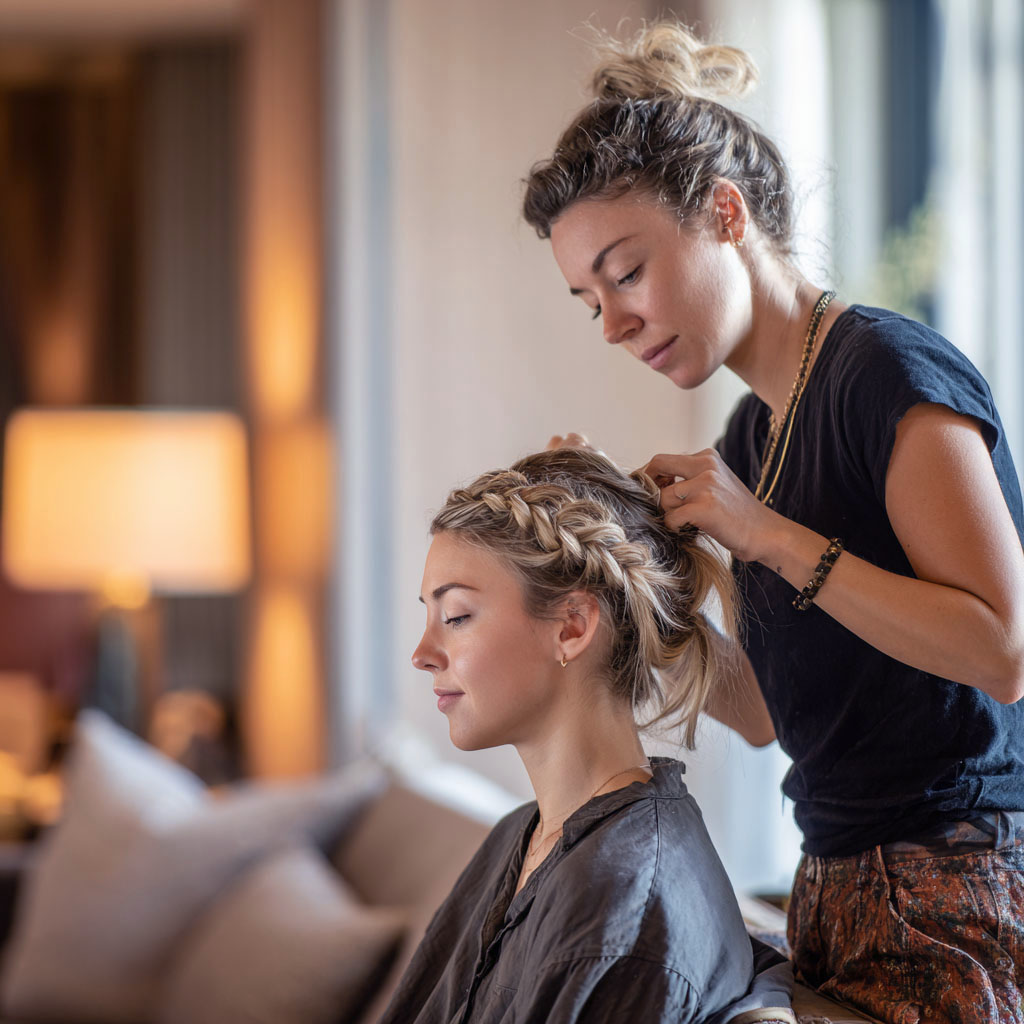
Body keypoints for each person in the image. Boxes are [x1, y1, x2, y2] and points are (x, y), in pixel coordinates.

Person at [521, 20, 1024, 1024]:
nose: (614, 323)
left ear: (723, 211)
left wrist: (767, 537)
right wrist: (624, 577)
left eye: (625, 273)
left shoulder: (883, 374)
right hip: (832, 892)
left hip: (954, 896)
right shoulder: (752, 438)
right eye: (590, 300)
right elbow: (760, 716)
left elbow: (1001, 648)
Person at [381, 446, 794, 1024]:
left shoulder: (619, 907)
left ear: (572, 627)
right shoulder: (519, 837)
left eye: (456, 617)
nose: (422, 655)